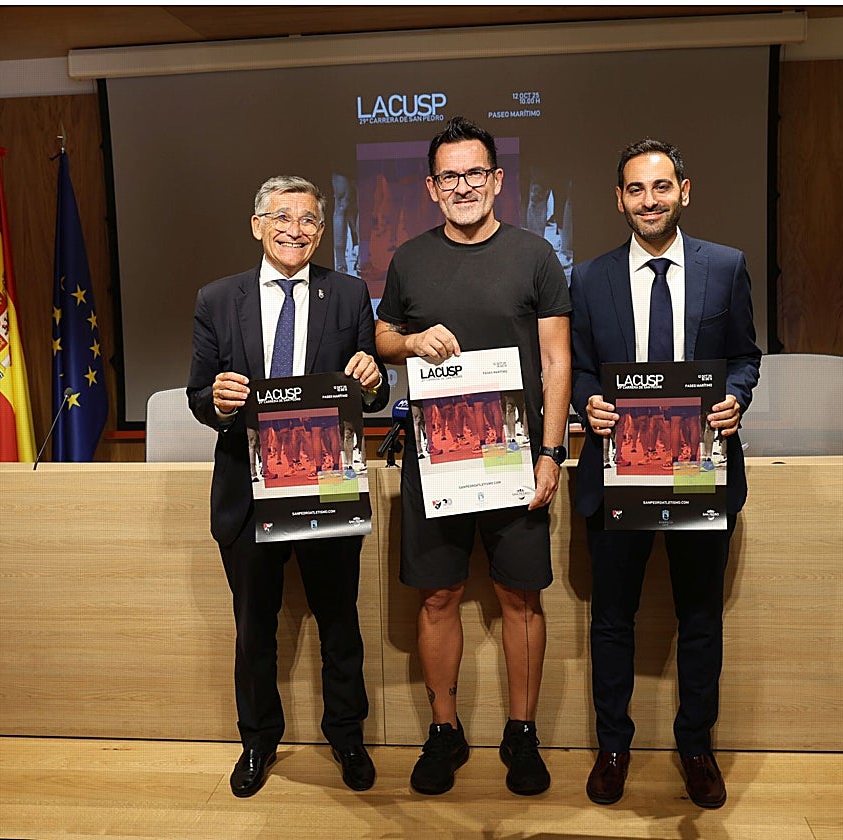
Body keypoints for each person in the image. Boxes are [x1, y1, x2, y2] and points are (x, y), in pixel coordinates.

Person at [374, 117, 572, 797]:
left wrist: (551, 453)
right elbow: (381, 335)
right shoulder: (408, 259)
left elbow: (556, 360)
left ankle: (522, 733)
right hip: (436, 458)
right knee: (438, 594)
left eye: (475, 173)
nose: (463, 186)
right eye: (449, 176)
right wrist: (409, 344)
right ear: (432, 187)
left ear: (496, 180)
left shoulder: (536, 255)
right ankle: (444, 730)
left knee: (520, 596)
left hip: (515, 459)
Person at [570, 139, 761, 809]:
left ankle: (697, 747)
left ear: (685, 190)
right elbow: (583, 368)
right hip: (617, 472)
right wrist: (584, 401)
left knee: (700, 617)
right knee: (613, 620)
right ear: (619, 199)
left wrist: (737, 394)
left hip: (699, 471)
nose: (647, 201)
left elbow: (745, 353)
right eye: (633, 189)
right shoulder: (587, 279)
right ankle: (613, 746)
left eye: (659, 187)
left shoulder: (727, 266)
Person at [187, 175, 389, 798]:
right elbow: (198, 395)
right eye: (282, 217)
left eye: (308, 220)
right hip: (248, 495)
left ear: (321, 231)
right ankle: (257, 741)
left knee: (339, 622)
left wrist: (373, 378)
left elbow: (372, 390)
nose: (295, 229)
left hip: (327, 483)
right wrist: (216, 401)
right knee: (255, 627)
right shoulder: (218, 299)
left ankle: (346, 736)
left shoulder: (349, 293)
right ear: (257, 225)